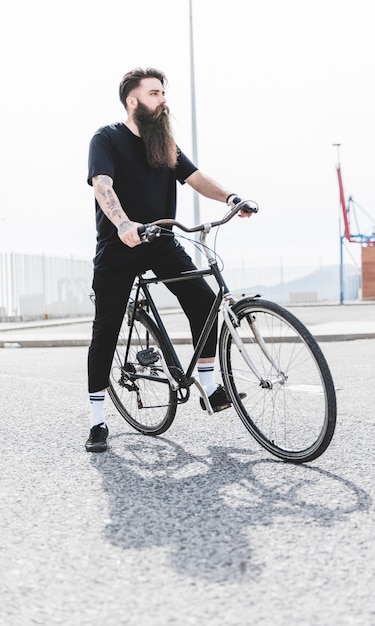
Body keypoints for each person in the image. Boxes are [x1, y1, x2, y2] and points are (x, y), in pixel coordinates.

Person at [85, 66, 253, 453]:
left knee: (205, 301)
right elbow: (102, 185)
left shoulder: (164, 143)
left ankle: (209, 386)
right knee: (106, 329)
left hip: (160, 240)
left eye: (163, 93)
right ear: (134, 100)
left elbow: (194, 177)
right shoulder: (106, 138)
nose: (163, 100)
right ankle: (97, 420)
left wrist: (231, 198)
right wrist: (124, 223)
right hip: (119, 245)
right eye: (155, 93)